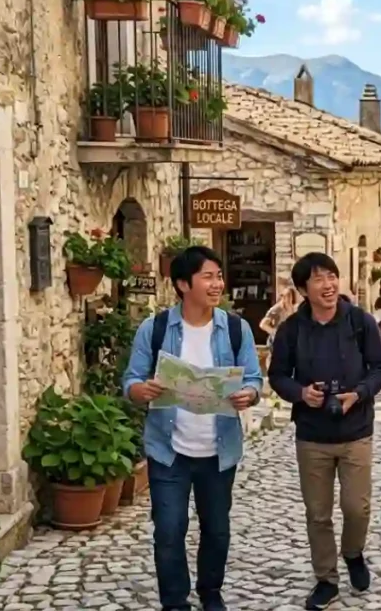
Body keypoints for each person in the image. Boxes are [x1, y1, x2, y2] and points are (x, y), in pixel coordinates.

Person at [122, 246, 263, 611]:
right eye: (208, 276)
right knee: (169, 531)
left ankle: (210, 592)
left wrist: (248, 394)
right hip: (168, 451)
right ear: (183, 284)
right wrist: (143, 389)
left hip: (219, 451)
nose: (217, 284)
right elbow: (131, 381)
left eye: (219, 276)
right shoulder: (154, 329)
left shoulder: (235, 329)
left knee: (216, 530)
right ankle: (175, 602)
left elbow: (253, 379)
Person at [267, 252, 381, 611]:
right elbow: (277, 376)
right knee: (317, 513)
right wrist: (301, 393)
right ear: (304, 288)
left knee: (357, 508)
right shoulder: (291, 329)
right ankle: (326, 579)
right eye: (319, 279)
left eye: (332, 276)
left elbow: (380, 368)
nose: (329, 284)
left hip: (356, 430)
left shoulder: (359, 322)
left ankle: (353, 552)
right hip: (312, 435)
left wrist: (360, 394)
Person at [260, 280, 301, 346]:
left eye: (289, 296)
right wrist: (276, 333)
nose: (286, 298)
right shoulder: (276, 310)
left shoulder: (296, 309)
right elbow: (263, 324)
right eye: (284, 296)